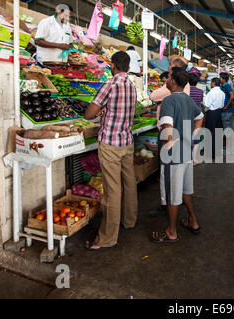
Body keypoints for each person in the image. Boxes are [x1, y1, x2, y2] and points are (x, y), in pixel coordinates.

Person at [83, 51, 138, 251]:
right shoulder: (131, 86)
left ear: (112, 66)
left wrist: (98, 111)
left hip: (110, 143)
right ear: (129, 68)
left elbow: (89, 115)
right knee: (129, 182)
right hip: (126, 141)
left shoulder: (110, 84)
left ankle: (107, 238)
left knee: (112, 190)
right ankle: (129, 221)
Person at [150, 68, 204, 243]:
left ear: (172, 81)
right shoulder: (188, 99)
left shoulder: (169, 100)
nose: (167, 78)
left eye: (169, 76)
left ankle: (171, 231)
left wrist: (168, 145)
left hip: (173, 155)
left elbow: (167, 127)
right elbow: (200, 117)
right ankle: (193, 221)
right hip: (186, 153)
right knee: (186, 190)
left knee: (173, 193)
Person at [147, 59, 191, 218]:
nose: (168, 73)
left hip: (171, 134)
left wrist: (167, 143)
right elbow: (199, 116)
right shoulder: (185, 87)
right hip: (182, 133)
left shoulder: (173, 90)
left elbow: (153, 95)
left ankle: (167, 206)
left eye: (171, 70)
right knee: (180, 175)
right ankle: (179, 204)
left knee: (167, 172)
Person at [203, 78, 226, 159]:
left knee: (210, 133)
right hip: (219, 113)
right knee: (218, 133)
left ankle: (210, 153)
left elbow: (207, 104)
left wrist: (204, 96)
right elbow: (222, 105)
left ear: (213, 83)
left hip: (211, 114)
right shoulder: (222, 93)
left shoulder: (211, 92)